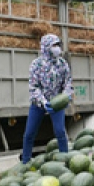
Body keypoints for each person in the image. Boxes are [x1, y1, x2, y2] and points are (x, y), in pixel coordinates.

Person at [21, 34, 74, 164]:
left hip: (56, 103)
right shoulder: (36, 64)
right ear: (46, 47)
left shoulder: (62, 64)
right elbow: (33, 86)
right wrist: (43, 102)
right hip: (39, 103)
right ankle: (25, 161)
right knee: (29, 133)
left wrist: (66, 96)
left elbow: (68, 83)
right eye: (54, 45)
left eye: (58, 45)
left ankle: (65, 160)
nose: (57, 48)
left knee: (60, 131)